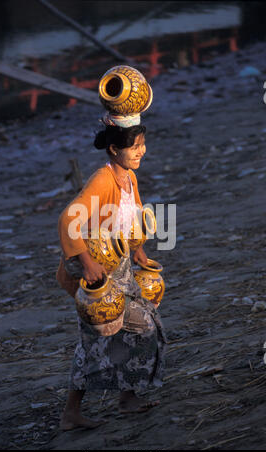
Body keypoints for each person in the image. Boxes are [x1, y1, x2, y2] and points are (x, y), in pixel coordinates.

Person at [56, 123, 167, 430]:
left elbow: (132, 218)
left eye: (143, 144)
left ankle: (126, 399)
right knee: (103, 338)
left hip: (118, 266)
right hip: (93, 272)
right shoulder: (103, 180)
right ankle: (72, 413)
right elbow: (68, 220)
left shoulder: (128, 177)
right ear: (114, 150)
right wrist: (89, 264)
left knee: (127, 331)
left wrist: (139, 250)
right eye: (135, 147)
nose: (141, 151)